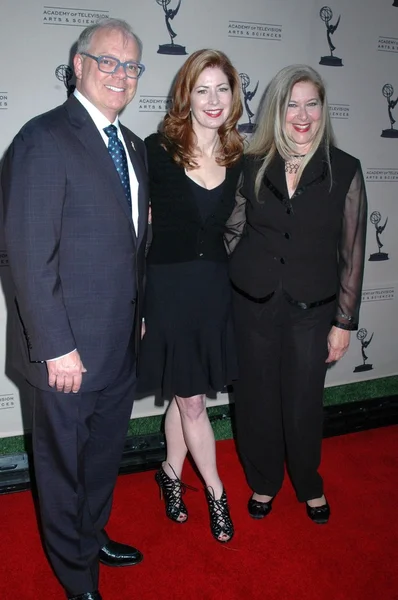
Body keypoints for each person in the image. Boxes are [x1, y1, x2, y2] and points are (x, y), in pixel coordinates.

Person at [1, 18, 148, 600]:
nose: (121, 74)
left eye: (132, 65)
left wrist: (138, 314)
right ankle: (75, 574)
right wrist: (57, 346)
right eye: (108, 61)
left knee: (102, 458)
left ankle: (91, 535)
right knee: (63, 471)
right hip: (64, 353)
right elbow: (26, 256)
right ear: (79, 64)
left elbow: (131, 248)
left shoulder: (132, 147)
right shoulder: (43, 139)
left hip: (118, 347)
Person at [225, 65, 367, 525]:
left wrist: (344, 323)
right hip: (251, 303)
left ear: (323, 110)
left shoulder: (344, 169)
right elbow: (233, 231)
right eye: (292, 104)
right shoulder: (251, 163)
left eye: (312, 103)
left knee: (304, 402)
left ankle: (309, 483)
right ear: (277, 110)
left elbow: (352, 250)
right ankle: (264, 480)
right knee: (254, 400)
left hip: (313, 309)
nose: (302, 115)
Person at [138, 49, 243, 543]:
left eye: (221, 87)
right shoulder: (156, 150)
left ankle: (170, 475)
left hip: (212, 292)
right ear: (186, 95)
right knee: (194, 402)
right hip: (169, 291)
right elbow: (136, 230)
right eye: (202, 89)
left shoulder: (239, 157)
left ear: (234, 95)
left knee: (187, 394)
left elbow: (241, 231)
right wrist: (136, 304)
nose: (213, 99)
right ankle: (218, 495)